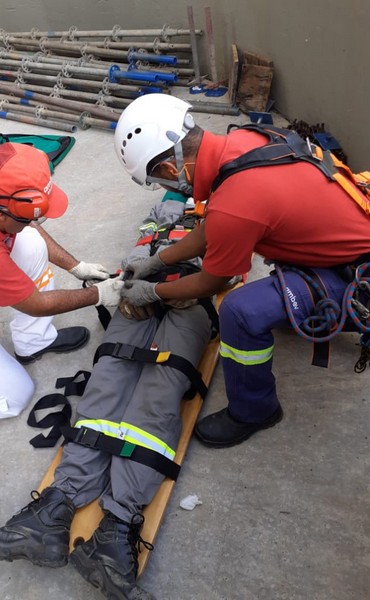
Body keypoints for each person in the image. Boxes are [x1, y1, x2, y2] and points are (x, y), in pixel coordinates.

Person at [0, 194, 214, 600]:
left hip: (193, 294)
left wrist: (190, 286)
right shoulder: (163, 213)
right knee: (112, 371)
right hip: (141, 287)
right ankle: (52, 513)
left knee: (162, 385)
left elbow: (228, 271)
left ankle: (115, 528)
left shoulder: (232, 210)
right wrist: (130, 283)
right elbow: (143, 246)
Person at [115, 93, 370, 448]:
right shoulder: (243, 142)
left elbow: (213, 280)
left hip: (357, 277)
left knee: (239, 312)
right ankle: (308, 307)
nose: (164, 188)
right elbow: (212, 228)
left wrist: (154, 291)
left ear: (172, 170)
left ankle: (254, 410)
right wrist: (159, 261)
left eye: (159, 181)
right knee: (267, 291)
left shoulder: (237, 203)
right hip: (348, 248)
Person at [0, 142, 124, 419]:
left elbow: (29, 223)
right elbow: (36, 304)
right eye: (26, 217)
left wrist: (77, 267)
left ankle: (33, 342)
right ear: (3, 213)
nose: (32, 222)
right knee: (13, 398)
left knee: (29, 241)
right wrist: (99, 295)